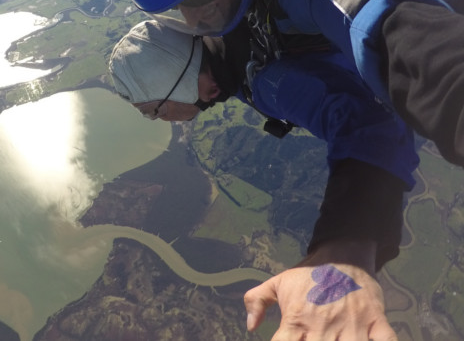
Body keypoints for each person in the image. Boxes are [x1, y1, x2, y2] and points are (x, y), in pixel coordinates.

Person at [5, 0, 464, 168]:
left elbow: (364, 13)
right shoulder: (244, 30)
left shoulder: (270, 51)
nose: (193, 19)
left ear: (195, 85)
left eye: (154, 110)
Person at [109, 19, 418, 339]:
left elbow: (371, 126)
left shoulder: (268, 81)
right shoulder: (236, 35)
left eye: (154, 110)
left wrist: (342, 257)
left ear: (195, 86)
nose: (160, 119)